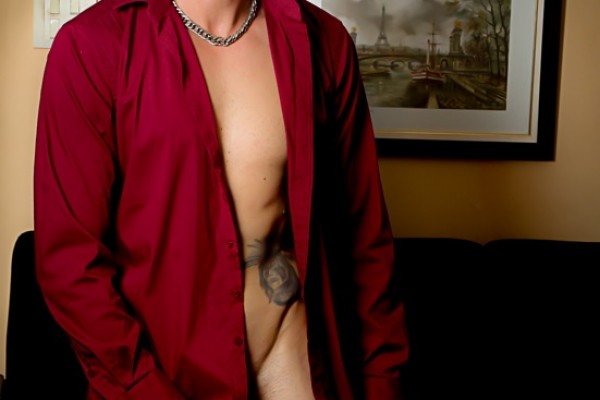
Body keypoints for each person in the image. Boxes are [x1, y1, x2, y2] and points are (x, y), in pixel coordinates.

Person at [33, 0, 409, 398]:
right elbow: (70, 262)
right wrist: (143, 388)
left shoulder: (325, 42)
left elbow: (365, 240)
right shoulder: (93, 45)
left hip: (294, 365)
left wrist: (382, 385)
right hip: (164, 378)